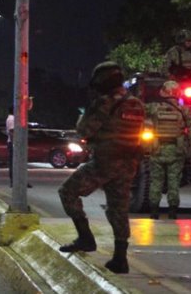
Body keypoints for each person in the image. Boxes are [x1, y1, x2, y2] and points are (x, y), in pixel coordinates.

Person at [58, 61, 145, 274]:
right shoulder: (136, 104)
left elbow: (84, 130)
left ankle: (86, 238)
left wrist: (87, 111)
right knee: (119, 208)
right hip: (129, 163)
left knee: (67, 192)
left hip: (105, 162)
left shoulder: (104, 103)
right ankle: (120, 258)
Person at [144, 80, 191, 220]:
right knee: (174, 182)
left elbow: (139, 112)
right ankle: (172, 212)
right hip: (177, 151)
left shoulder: (153, 108)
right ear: (178, 93)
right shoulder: (184, 110)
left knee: (156, 181)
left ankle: (154, 212)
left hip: (157, 150)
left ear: (163, 92)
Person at [6, 106, 32, 188]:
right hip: (14, 143)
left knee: (20, 163)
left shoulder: (14, 118)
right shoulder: (12, 119)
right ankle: (14, 181)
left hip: (16, 143)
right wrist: (15, 144)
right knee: (15, 163)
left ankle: (21, 181)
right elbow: (11, 131)